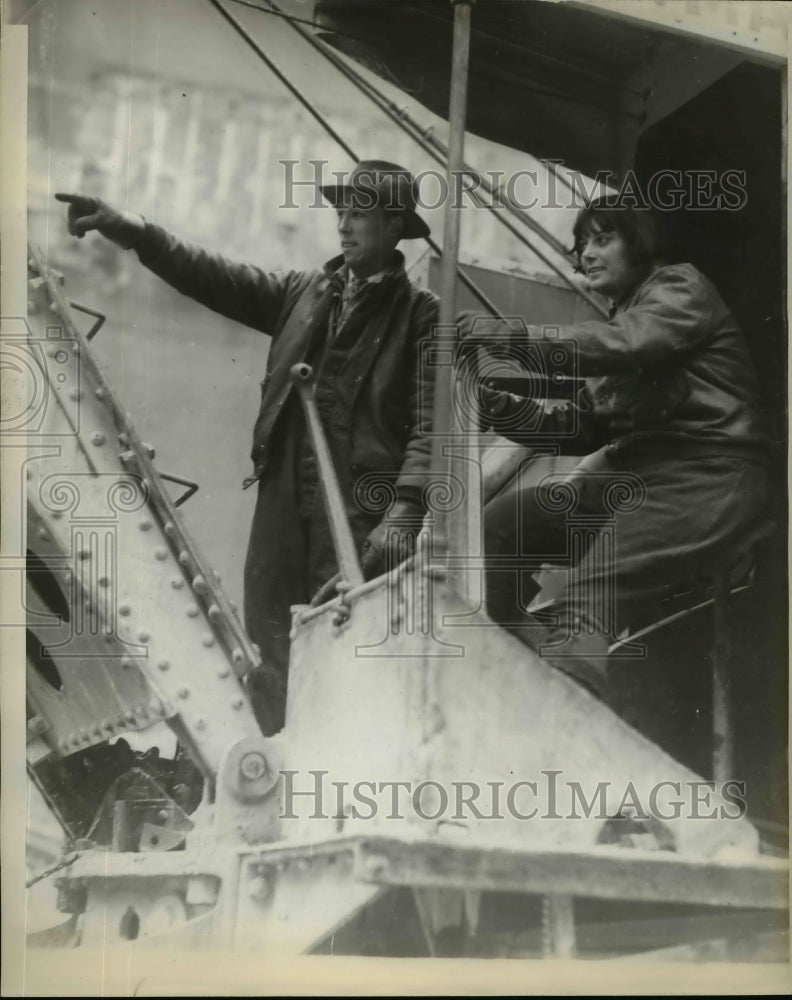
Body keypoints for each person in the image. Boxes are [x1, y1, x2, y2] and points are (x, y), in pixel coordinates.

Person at [56, 160, 439, 733]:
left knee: (348, 640)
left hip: (361, 509)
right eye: (340, 211)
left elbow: (433, 425)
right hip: (283, 490)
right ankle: (276, 761)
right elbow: (214, 276)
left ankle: (338, 765)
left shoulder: (423, 315)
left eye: (358, 213)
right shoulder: (303, 293)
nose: (343, 224)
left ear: (394, 225)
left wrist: (405, 511)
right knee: (270, 634)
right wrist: (136, 232)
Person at [471, 196, 771, 698]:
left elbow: (628, 343)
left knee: (588, 600)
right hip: (639, 475)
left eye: (603, 239)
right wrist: (493, 407)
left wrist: (514, 339)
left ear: (640, 242)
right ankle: (522, 667)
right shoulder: (620, 321)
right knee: (501, 528)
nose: (587, 253)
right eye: (582, 244)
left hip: (708, 473)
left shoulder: (679, 289)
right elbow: (581, 427)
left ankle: (565, 705)